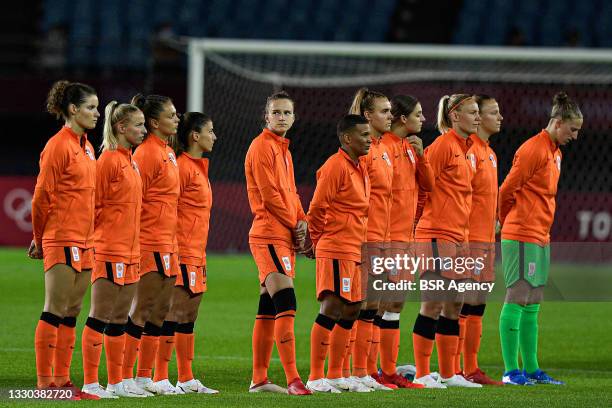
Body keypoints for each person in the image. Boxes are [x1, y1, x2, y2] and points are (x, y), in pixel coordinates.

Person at [498, 92, 582, 386]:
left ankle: (532, 369)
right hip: (521, 232)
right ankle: (511, 371)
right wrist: (504, 220)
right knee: (517, 296)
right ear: (558, 123)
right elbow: (506, 189)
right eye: (572, 129)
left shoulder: (555, 151)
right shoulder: (533, 149)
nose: (575, 136)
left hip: (540, 236)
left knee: (533, 300)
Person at [30, 80, 99, 400]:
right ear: (73, 110)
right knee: (54, 308)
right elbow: (42, 196)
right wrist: (39, 237)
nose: (96, 114)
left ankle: (62, 382)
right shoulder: (58, 145)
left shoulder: (85, 146)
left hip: (86, 239)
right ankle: (45, 383)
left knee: (72, 309)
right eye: (91, 107)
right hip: (62, 236)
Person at [347, 88, 419, 390]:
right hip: (368, 237)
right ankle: (357, 371)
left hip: (390, 237)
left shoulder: (388, 149)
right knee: (361, 307)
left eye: (391, 111)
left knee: (379, 306)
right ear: (368, 115)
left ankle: (376, 371)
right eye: (384, 111)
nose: (390, 116)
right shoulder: (366, 152)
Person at [411, 94, 482, 388]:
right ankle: (422, 372)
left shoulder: (467, 150)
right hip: (437, 234)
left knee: (454, 306)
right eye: (472, 112)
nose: (478, 117)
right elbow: (423, 187)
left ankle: (450, 373)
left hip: (459, 237)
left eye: (479, 112)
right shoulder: (442, 146)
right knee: (432, 304)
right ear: (455, 116)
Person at [244, 91, 311, 395]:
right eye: (277, 112)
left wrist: (302, 221)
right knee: (286, 301)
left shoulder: (283, 149)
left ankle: (259, 378)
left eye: (287, 113)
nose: (282, 117)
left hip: (282, 232)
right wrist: (293, 225)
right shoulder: (262, 147)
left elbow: (291, 192)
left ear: (294, 118)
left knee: (268, 306)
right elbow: (270, 196)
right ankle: (293, 379)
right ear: (266, 116)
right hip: (269, 232)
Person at [80, 102, 147, 398]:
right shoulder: (107, 160)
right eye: (139, 125)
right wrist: (94, 243)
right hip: (109, 249)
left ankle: (117, 381)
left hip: (132, 251)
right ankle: (91, 383)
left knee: (121, 317)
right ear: (122, 128)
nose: (144, 130)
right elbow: (91, 207)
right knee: (100, 315)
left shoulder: (130, 161)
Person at [305, 114, 372, 393]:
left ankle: (334, 374)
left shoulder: (360, 167)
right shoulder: (335, 166)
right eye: (364, 135)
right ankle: (315, 376)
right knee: (332, 306)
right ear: (347, 138)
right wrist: (317, 241)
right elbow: (318, 206)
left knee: (353, 307)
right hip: (335, 246)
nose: (369, 139)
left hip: (354, 247)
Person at [153, 112, 219, 394]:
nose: (214, 136)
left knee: (189, 315)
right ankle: (159, 376)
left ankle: (186, 377)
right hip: (180, 250)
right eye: (210, 131)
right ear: (195, 135)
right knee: (172, 313)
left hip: (197, 252)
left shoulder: (198, 166)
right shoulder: (180, 167)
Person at [122, 94, 182, 395]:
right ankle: (124, 377)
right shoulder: (146, 153)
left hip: (169, 243)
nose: (177, 118)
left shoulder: (168, 152)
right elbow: (135, 197)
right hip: (149, 241)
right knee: (142, 308)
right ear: (154, 122)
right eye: (171, 115)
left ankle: (147, 377)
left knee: (161, 310)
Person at [379, 94, 434, 383]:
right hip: (385, 239)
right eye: (418, 114)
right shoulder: (382, 147)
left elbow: (428, 187)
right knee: (376, 304)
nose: (423, 119)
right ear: (403, 118)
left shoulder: (411, 148)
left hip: (405, 238)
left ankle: (387, 371)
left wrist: (422, 156)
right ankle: (367, 371)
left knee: (396, 303)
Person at [457, 95, 504, 386]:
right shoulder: (468, 150)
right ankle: (457, 368)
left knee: (477, 304)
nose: (499, 117)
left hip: (486, 239)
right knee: (462, 303)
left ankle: (470, 367)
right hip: (468, 238)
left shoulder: (489, 152)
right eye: (493, 112)